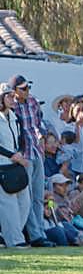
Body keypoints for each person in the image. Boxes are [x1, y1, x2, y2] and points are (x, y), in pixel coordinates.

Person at [8, 75, 54, 246]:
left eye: (28, 87)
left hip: (36, 152)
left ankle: (40, 233)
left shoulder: (33, 102)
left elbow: (36, 124)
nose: (27, 91)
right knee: (27, 197)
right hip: (23, 155)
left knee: (38, 196)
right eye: (23, 88)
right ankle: (35, 235)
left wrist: (40, 136)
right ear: (14, 91)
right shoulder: (11, 106)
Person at [0, 83, 34, 248]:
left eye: (13, 96)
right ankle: (15, 241)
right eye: (8, 96)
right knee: (9, 206)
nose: (12, 99)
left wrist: (20, 153)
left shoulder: (15, 118)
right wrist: (11, 155)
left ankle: (8, 235)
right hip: (3, 165)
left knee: (24, 203)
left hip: (16, 164)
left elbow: (21, 140)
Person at [39, 173, 83, 246]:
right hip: (47, 228)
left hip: (61, 225)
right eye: (61, 185)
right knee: (61, 228)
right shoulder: (48, 196)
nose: (65, 188)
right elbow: (49, 211)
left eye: (66, 185)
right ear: (53, 187)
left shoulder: (64, 198)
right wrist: (50, 200)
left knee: (66, 225)